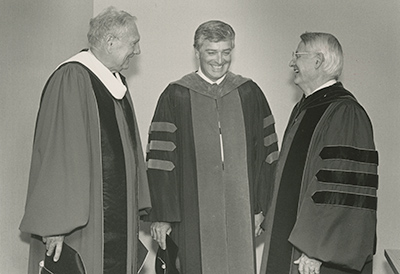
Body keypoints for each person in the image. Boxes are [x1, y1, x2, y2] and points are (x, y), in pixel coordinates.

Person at [19, 6, 151, 274]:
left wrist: (134, 204)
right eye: (134, 43)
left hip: (115, 219)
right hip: (84, 226)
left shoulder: (115, 83)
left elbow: (131, 152)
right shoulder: (72, 78)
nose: (137, 51)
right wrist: (55, 226)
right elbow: (59, 154)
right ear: (110, 42)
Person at [142, 20, 279, 274]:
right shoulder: (176, 95)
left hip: (242, 210)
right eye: (211, 52)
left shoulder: (249, 93)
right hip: (190, 211)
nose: (220, 60)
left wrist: (261, 207)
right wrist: (162, 215)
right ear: (197, 52)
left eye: (226, 52)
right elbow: (160, 161)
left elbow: (268, 155)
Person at [260, 32, 378, 274]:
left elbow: (341, 190)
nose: (291, 63)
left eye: (297, 56)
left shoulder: (345, 113)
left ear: (318, 61)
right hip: (296, 244)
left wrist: (318, 249)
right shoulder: (306, 107)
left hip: (317, 255)